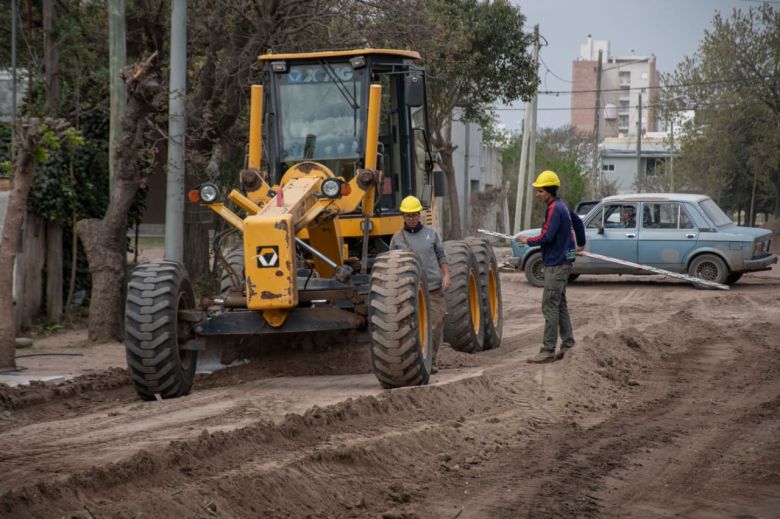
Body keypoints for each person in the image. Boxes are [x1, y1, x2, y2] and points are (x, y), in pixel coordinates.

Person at [516, 171, 586, 363]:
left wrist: (526, 240)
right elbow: (578, 222)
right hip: (564, 261)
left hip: (556, 263)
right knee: (559, 304)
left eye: (539, 191)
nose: (537, 194)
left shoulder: (555, 209)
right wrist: (581, 243)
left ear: (548, 191)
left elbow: (546, 237)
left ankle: (548, 350)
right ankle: (568, 344)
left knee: (549, 305)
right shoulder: (562, 205)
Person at [389, 195, 451, 372]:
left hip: (433, 288)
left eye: (414, 215)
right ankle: (419, 361)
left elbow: (441, 256)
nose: (411, 219)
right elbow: (392, 263)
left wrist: (446, 275)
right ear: (403, 216)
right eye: (408, 216)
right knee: (411, 327)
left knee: (436, 324)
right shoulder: (397, 239)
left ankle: (432, 359)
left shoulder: (431, 235)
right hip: (408, 291)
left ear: (419, 215)